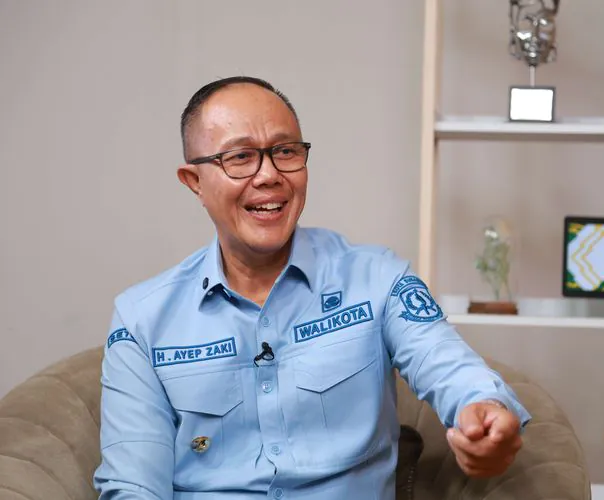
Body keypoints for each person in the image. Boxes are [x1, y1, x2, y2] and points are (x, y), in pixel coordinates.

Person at [93, 76, 531, 499]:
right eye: (240, 157)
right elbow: (133, 485)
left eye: (285, 151)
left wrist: (485, 413)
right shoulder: (141, 320)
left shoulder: (378, 281)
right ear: (195, 182)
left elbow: (451, 368)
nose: (268, 175)